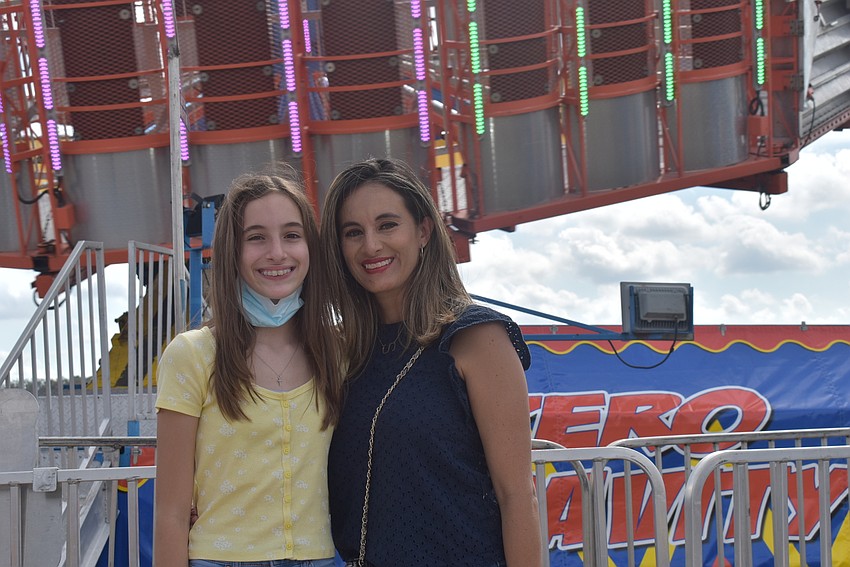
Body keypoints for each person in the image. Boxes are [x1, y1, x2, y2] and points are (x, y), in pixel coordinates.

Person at [320, 158, 542, 567]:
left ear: (423, 231)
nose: (371, 245)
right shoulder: (341, 352)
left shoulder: (477, 337)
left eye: (387, 225)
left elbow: (517, 496)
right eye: (353, 232)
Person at [154, 170, 342, 567]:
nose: (277, 252)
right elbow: (170, 513)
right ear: (232, 252)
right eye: (256, 238)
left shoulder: (338, 352)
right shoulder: (192, 355)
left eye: (292, 235)